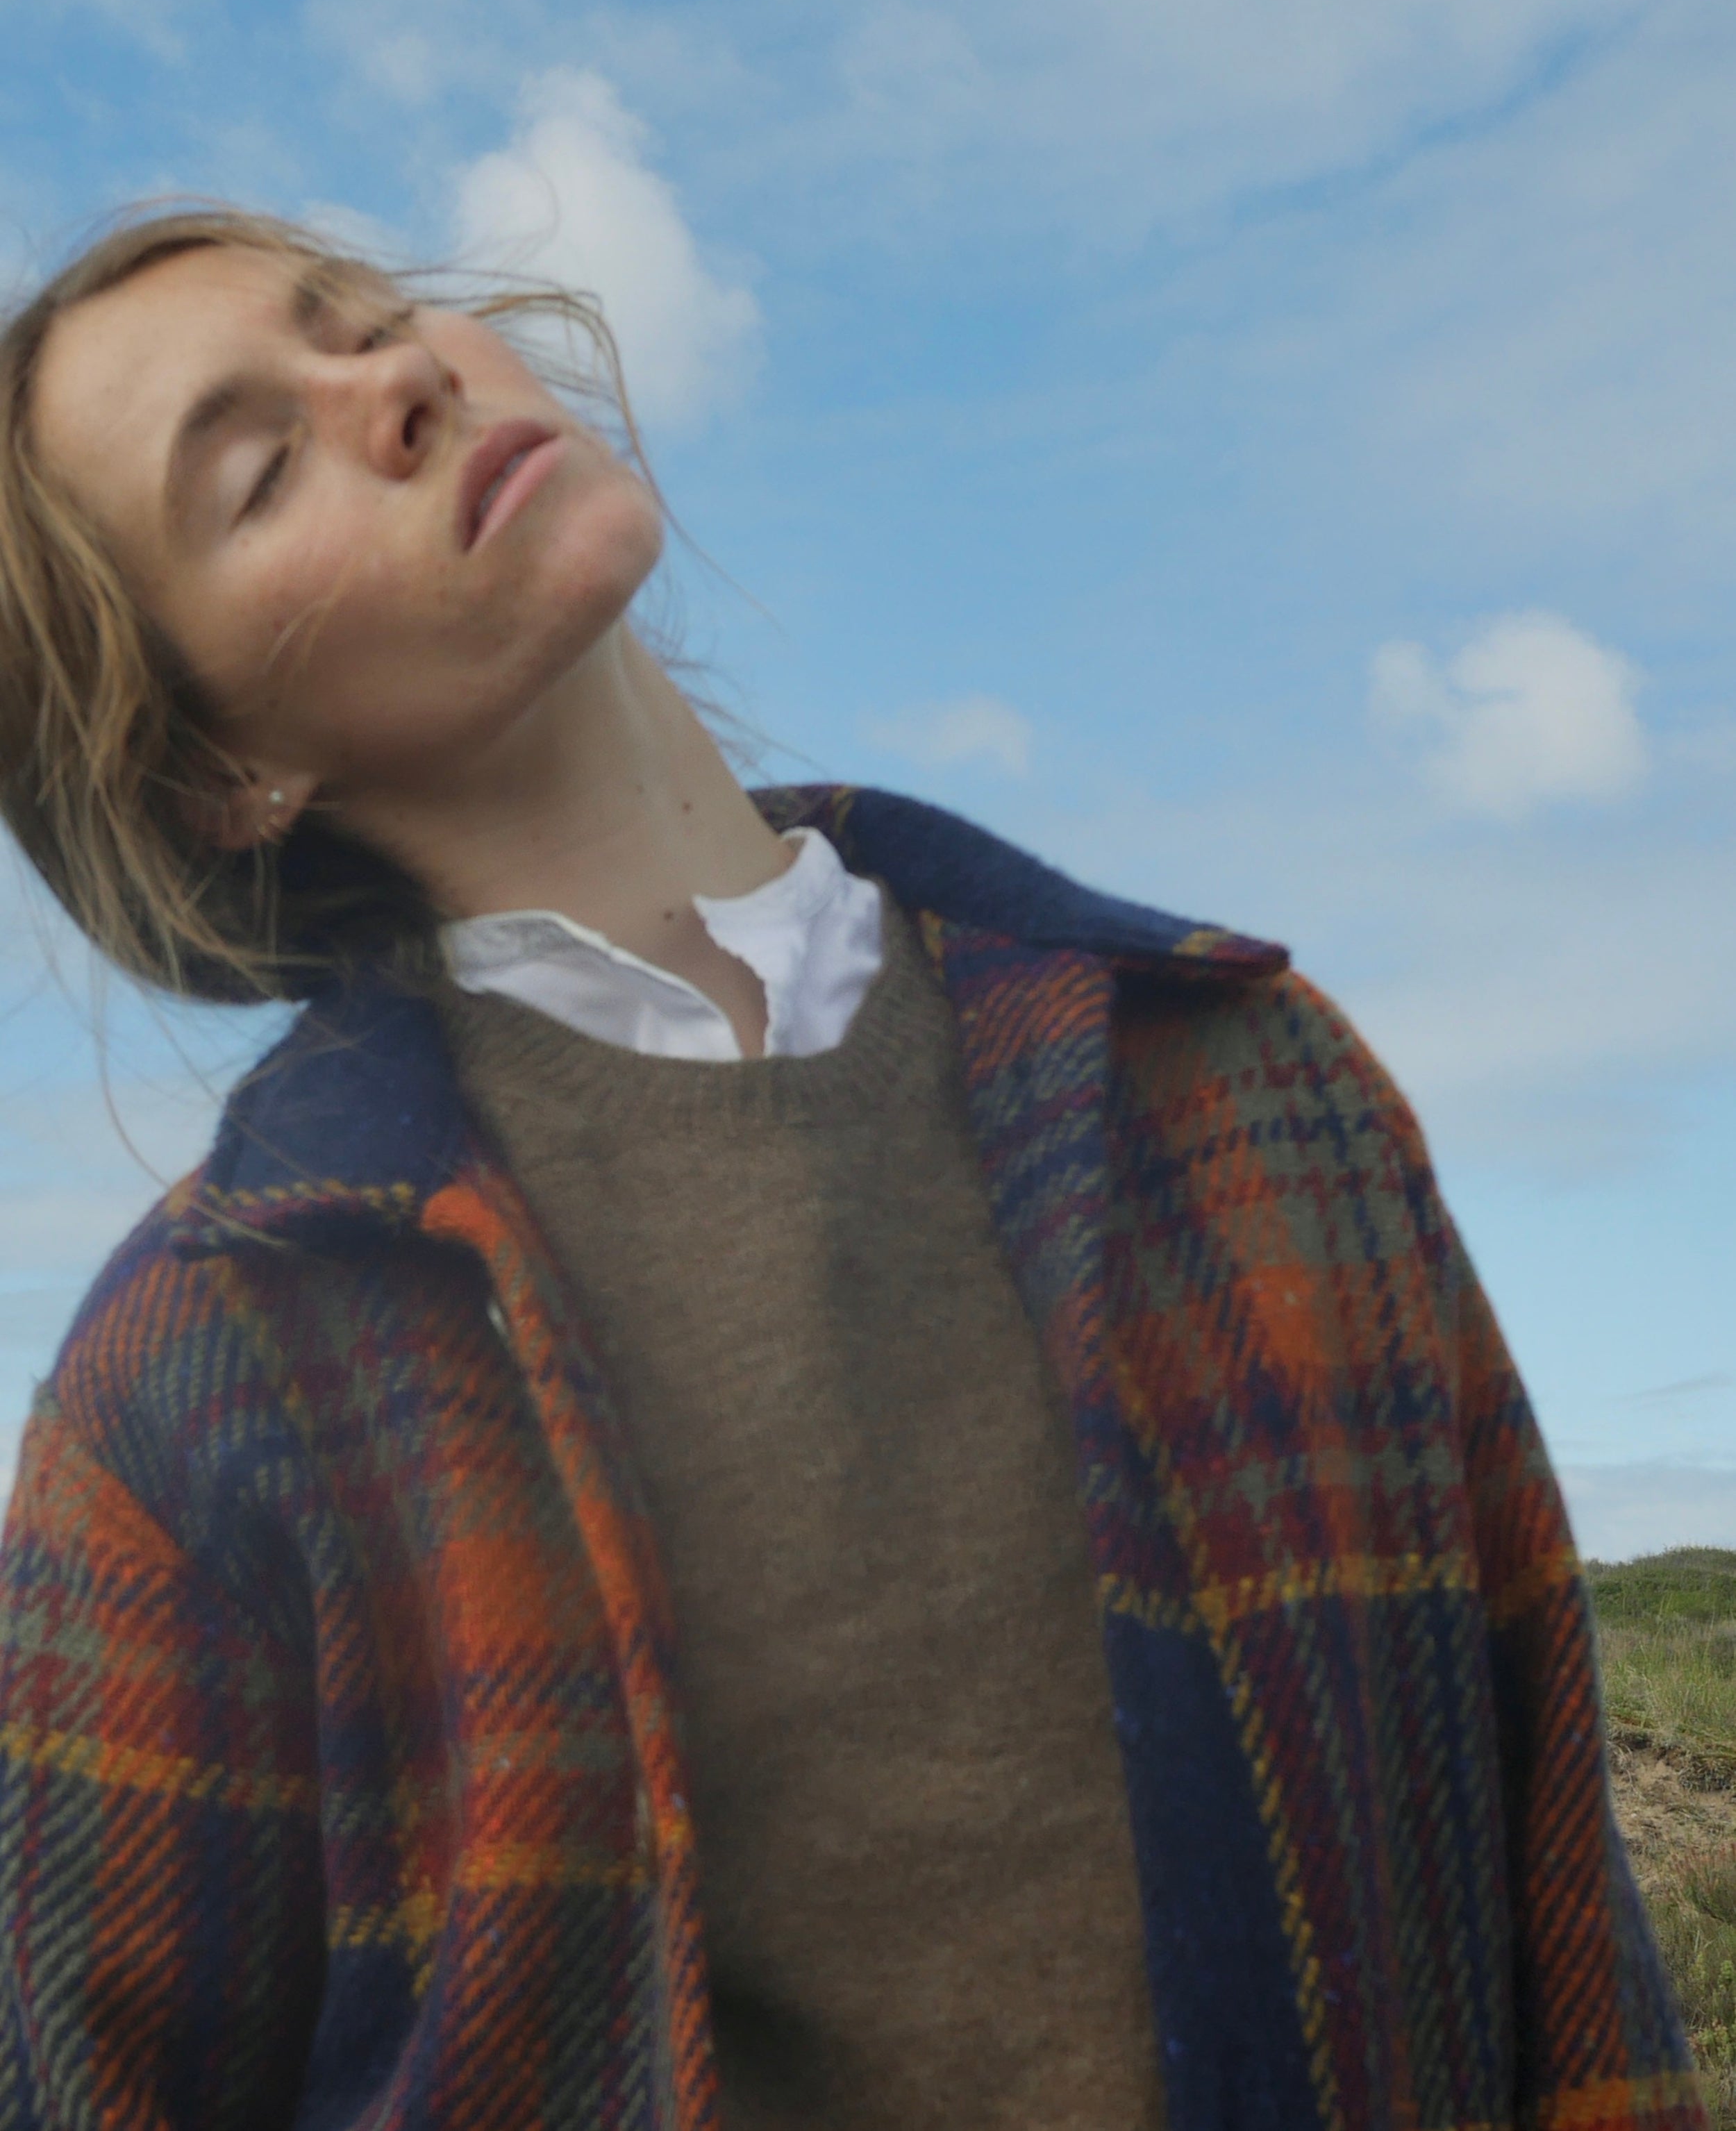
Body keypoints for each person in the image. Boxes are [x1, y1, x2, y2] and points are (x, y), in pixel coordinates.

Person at [0, 203, 1703, 2131]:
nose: (391, 383)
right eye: (259, 461)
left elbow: (1559, 1917)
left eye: (371, 319)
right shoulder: (196, 1367)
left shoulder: (1247, 1078)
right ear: (224, 775)